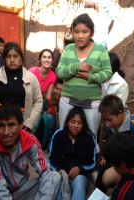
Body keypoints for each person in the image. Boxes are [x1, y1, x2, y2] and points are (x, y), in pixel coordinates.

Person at [0, 104, 60, 200]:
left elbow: (45, 171)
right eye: (1, 126)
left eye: (11, 125)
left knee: (54, 177)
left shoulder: (30, 140)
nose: (6, 132)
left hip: (21, 190)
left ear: (21, 125)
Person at [56, 13, 112, 143]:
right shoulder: (68, 49)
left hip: (92, 101)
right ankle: (66, 161)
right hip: (68, 99)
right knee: (64, 133)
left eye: (85, 32)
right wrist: (76, 66)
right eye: (76, 32)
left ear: (91, 33)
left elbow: (108, 73)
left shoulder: (100, 50)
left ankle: (89, 162)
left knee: (91, 135)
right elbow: (59, 72)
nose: (80, 36)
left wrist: (90, 77)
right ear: (72, 32)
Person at [0, 42, 43, 132]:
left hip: (23, 125)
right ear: (4, 59)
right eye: (8, 56)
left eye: (16, 56)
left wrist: (30, 122)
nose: (12, 60)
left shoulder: (31, 78)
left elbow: (38, 102)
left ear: (21, 59)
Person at [95, 95, 134, 193]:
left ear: (120, 113)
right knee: (103, 168)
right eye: (105, 120)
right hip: (120, 162)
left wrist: (130, 168)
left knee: (113, 179)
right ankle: (97, 196)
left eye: (109, 119)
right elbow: (110, 145)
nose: (107, 123)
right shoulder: (112, 127)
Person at [49, 107, 97, 200]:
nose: (76, 126)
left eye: (79, 123)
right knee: (59, 184)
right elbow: (51, 160)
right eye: (72, 122)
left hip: (81, 176)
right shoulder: (58, 135)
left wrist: (80, 169)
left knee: (79, 181)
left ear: (84, 124)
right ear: (67, 122)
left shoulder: (89, 138)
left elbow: (92, 163)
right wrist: (59, 170)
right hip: (62, 175)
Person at [34, 79, 63, 150]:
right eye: (57, 88)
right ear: (53, 88)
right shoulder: (50, 100)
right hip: (51, 130)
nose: (59, 92)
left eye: (62, 90)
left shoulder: (65, 103)